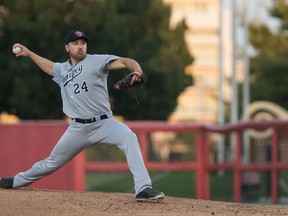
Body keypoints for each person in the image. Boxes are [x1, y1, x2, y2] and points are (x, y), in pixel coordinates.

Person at [0, 30, 165, 202]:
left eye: (83, 43)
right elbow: (49, 67)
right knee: (51, 163)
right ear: (67, 47)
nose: (80, 47)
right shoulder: (62, 69)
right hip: (78, 128)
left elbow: (125, 61)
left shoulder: (96, 61)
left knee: (129, 138)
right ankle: (16, 181)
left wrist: (137, 71)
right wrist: (29, 53)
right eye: (75, 43)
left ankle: (143, 188)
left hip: (105, 123)